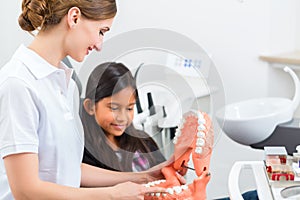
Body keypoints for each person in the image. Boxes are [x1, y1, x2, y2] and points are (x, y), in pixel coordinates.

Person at [0, 0, 170, 199]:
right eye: (101, 31)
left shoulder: (67, 86)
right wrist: (113, 195)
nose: (99, 45)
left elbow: (70, 170)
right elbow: (25, 190)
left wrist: (143, 177)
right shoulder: (18, 83)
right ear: (74, 17)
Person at [81, 62, 166, 172]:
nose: (123, 118)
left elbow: (166, 175)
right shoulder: (85, 154)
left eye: (129, 108)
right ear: (90, 106)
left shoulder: (144, 142)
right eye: (114, 108)